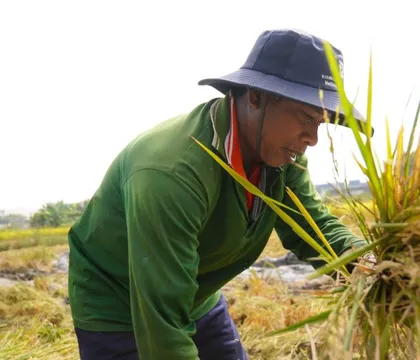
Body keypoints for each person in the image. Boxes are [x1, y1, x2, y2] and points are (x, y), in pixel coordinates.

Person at [68, 28, 374, 360]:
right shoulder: (171, 173)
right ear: (255, 97)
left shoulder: (283, 156)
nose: (312, 138)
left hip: (195, 293)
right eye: (305, 118)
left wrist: (369, 265)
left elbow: (312, 226)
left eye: (321, 122)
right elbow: (163, 328)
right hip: (116, 304)